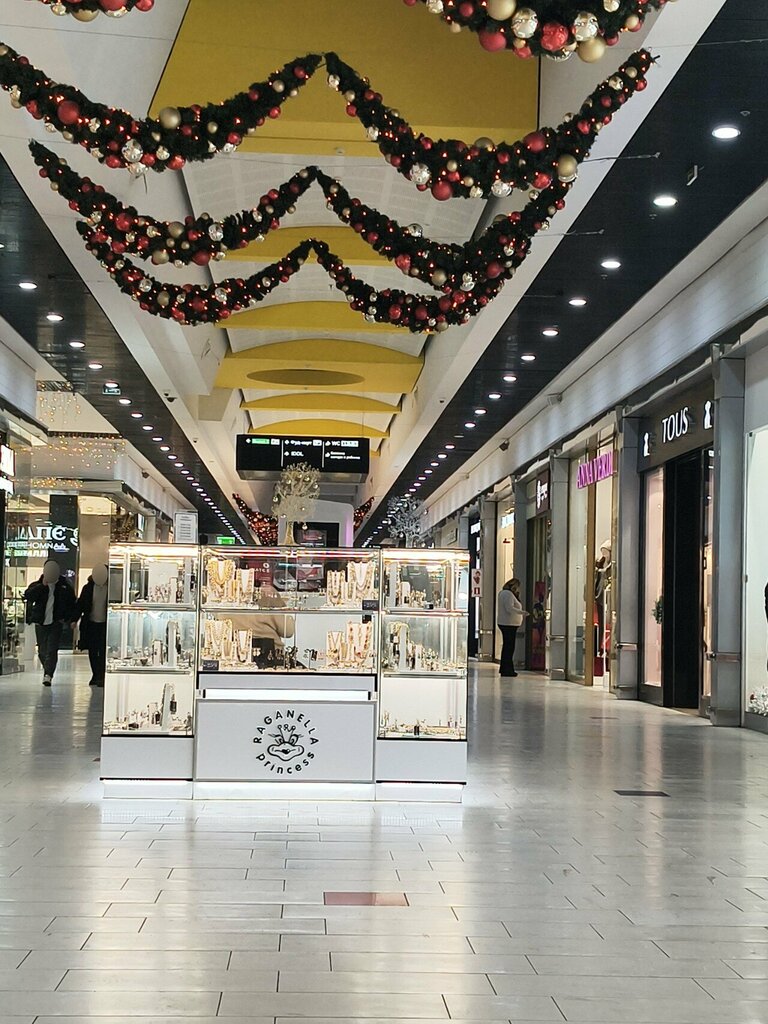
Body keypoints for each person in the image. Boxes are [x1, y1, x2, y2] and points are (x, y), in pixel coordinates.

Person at [24, 559, 76, 686]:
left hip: (56, 622)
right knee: (42, 650)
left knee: (52, 649)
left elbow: (72, 603)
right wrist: (42, 586)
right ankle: (47, 668)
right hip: (40, 622)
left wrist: (68, 618)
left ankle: (48, 674)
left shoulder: (64, 586)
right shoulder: (37, 585)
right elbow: (28, 596)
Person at [73, 564, 109, 687]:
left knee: (103, 650)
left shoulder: (111, 589)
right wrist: (74, 619)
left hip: (105, 625)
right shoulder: (88, 588)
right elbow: (81, 604)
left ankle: (101, 676)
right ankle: (95, 674)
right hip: (91, 624)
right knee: (93, 651)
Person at [497, 577, 526, 678]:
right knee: (509, 647)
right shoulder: (508, 594)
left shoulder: (502, 593)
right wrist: (522, 612)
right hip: (509, 624)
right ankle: (507, 669)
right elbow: (509, 608)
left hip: (506, 623)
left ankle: (505, 668)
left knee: (507, 647)